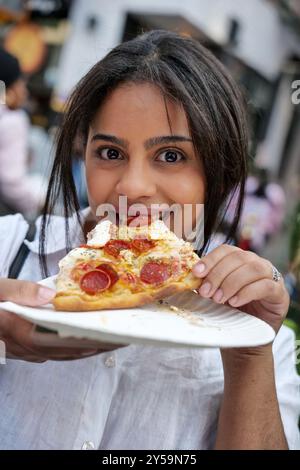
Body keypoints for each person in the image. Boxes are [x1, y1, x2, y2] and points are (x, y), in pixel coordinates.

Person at [0, 30, 299, 450]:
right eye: (110, 152)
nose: (133, 186)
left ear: (221, 172)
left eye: (171, 156)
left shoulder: (265, 336)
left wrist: (247, 351)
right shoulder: (8, 249)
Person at [0, 47, 46, 219]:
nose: (25, 91)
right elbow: (12, 185)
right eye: (21, 82)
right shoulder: (12, 120)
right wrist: (38, 200)